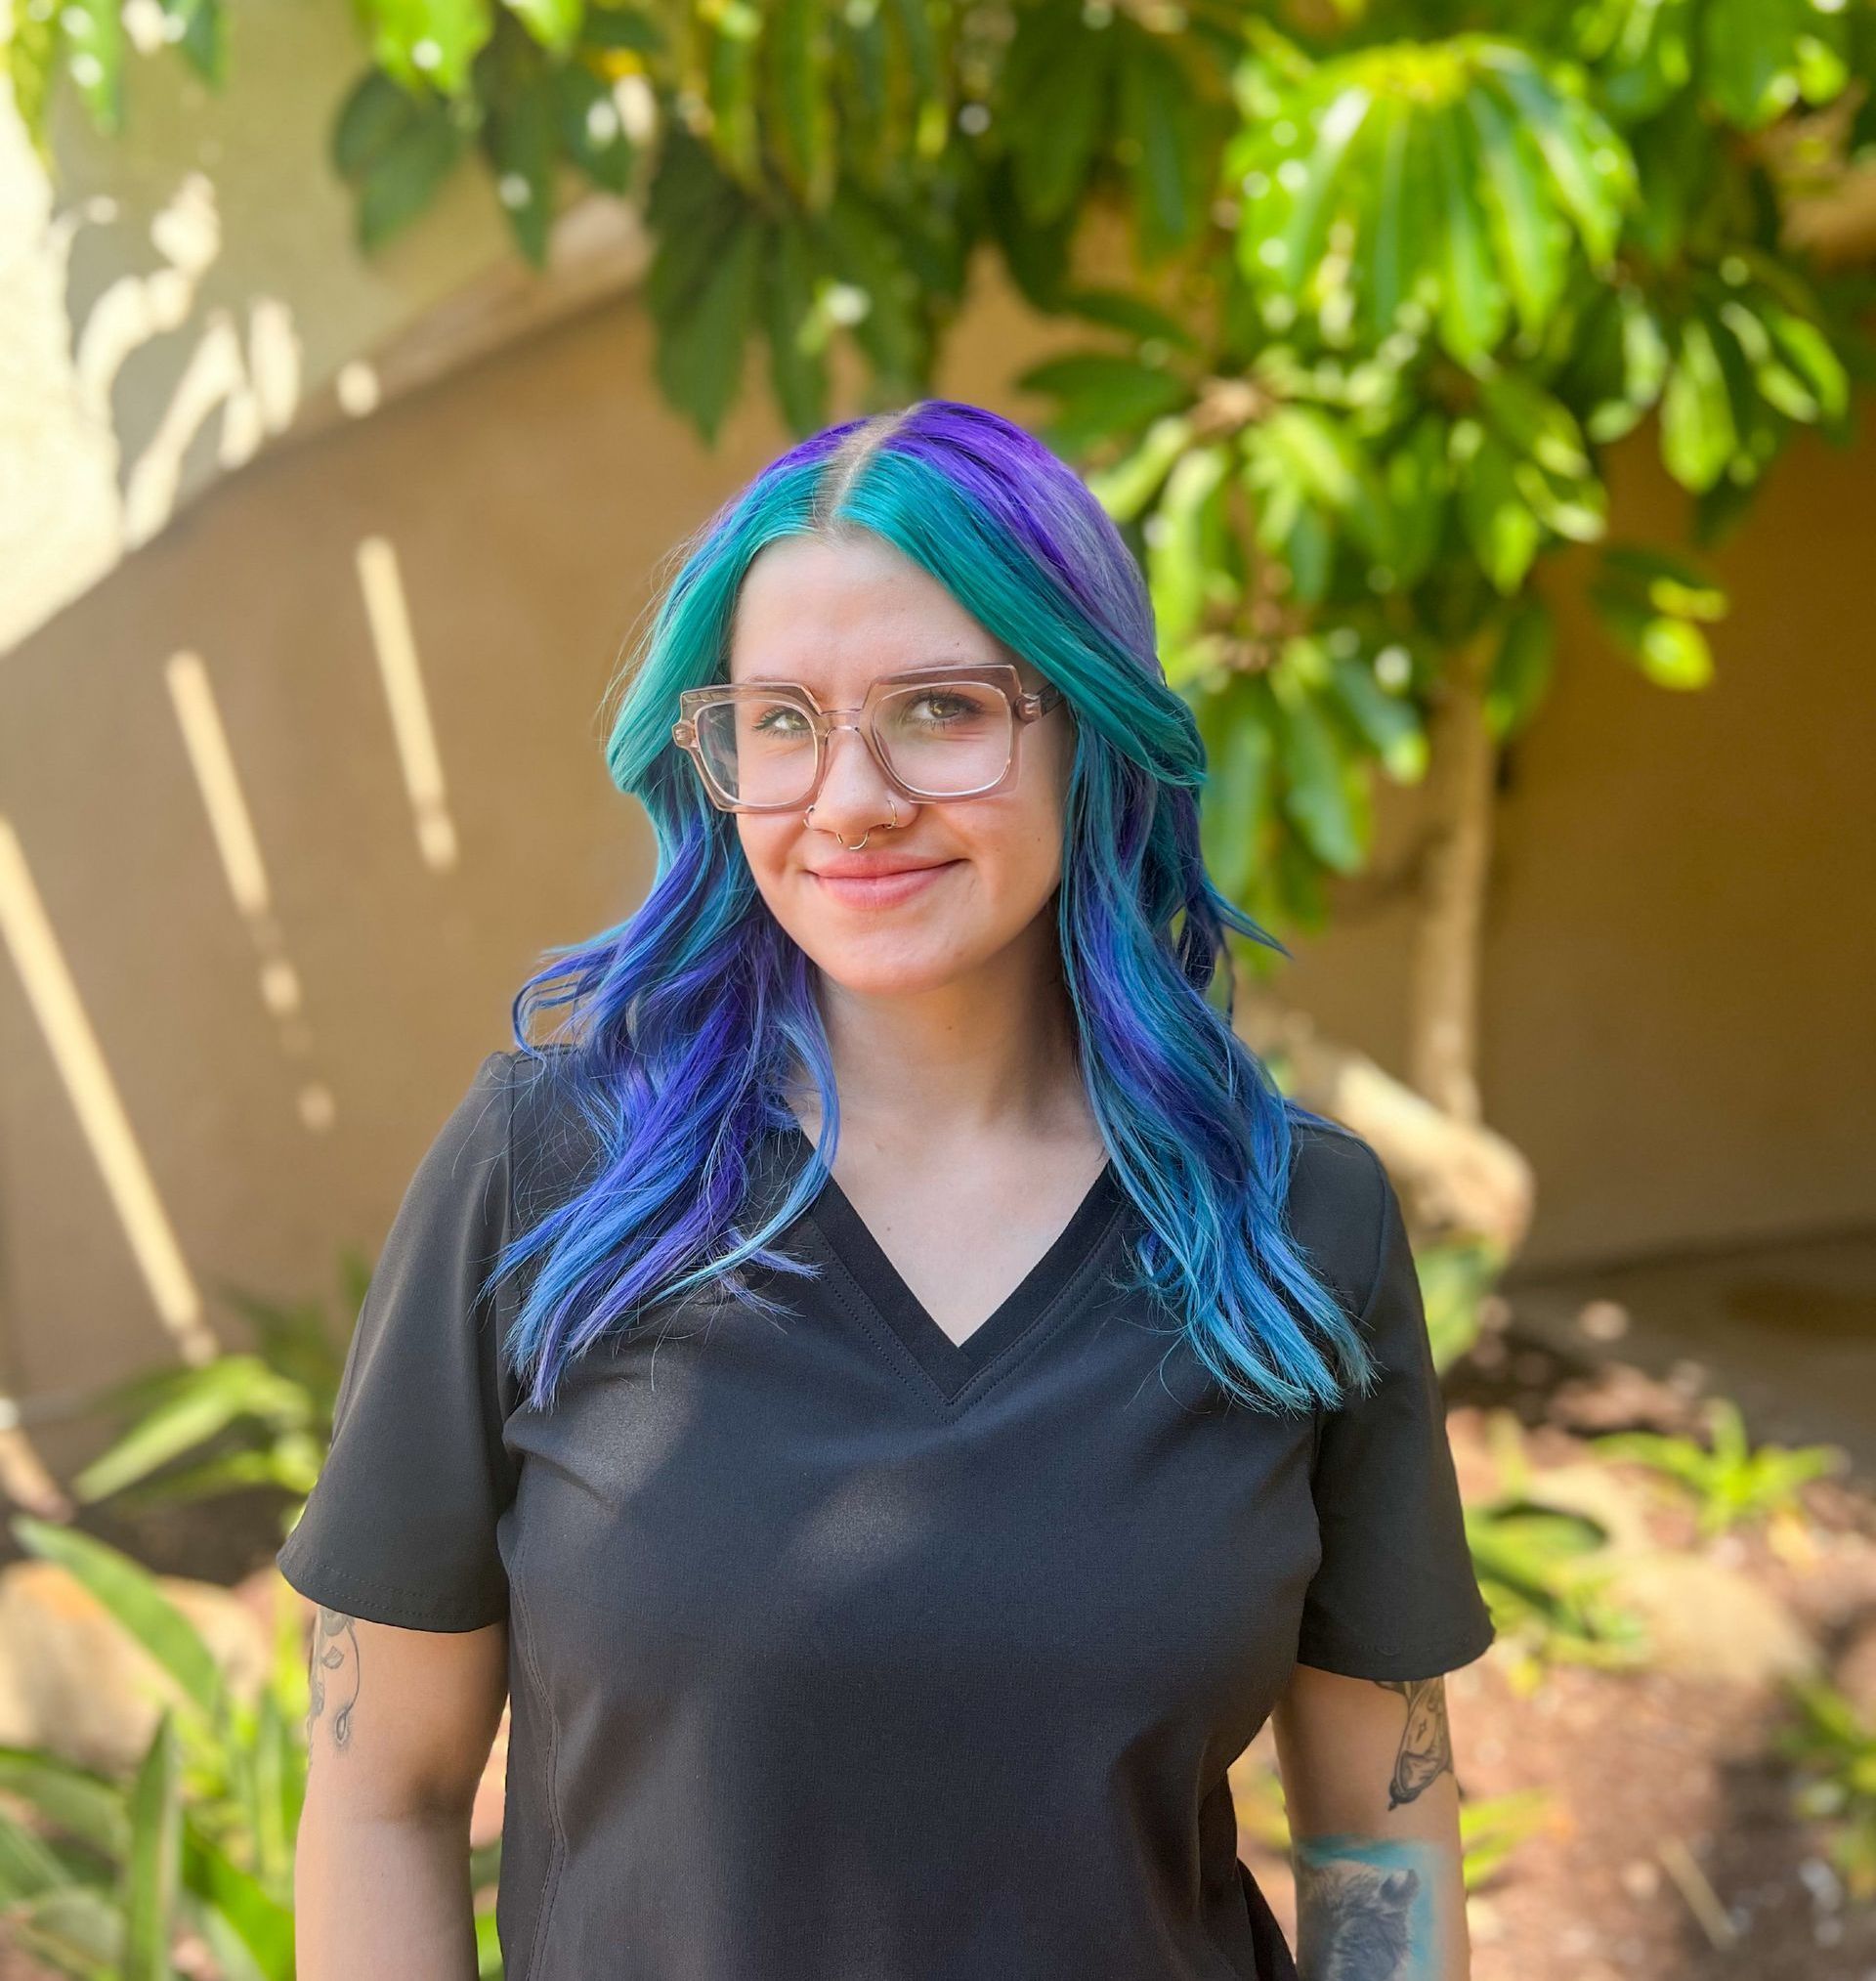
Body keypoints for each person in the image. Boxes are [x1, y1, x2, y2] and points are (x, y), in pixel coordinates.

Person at [277, 399, 1495, 1981]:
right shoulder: (551, 1180)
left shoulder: (1289, 1222)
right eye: (779, 720)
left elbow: (1376, 1833)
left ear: (1089, 729)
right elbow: (384, 1793)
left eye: (938, 709)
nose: (846, 799)